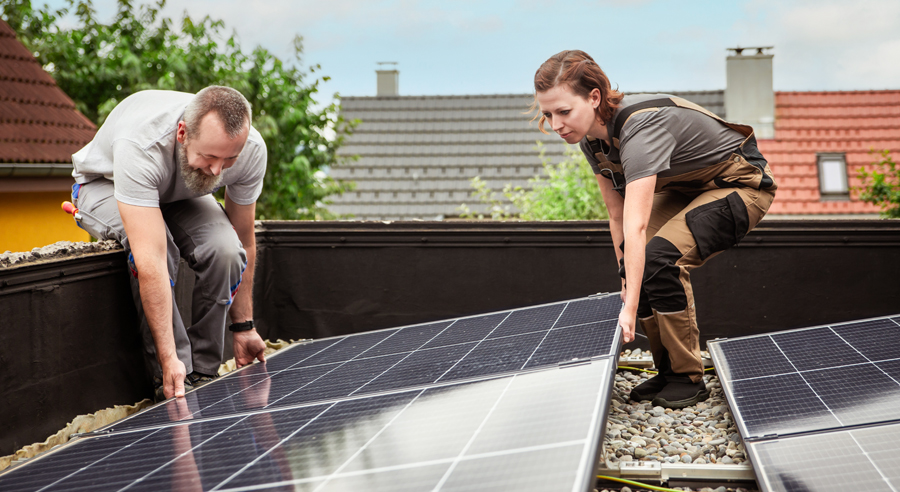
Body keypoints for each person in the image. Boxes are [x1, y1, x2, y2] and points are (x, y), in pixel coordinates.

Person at [534, 50, 777, 408]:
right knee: (633, 264)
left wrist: (629, 307)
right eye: (548, 114)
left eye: (564, 112)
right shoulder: (592, 142)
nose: (556, 125)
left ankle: (688, 377)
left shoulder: (640, 126)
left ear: (594, 97)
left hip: (741, 186)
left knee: (659, 257)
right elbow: (617, 216)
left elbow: (637, 224)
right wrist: (625, 281)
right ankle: (666, 372)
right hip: (686, 191)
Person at [69, 86, 268, 402]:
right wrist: (168, 358)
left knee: (226, 251)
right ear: (182, 133)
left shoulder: (251, 150)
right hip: (105, 185)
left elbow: (244, 240)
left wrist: (244, 328)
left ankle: (203, 372)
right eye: (209, 156)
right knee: (162, 250)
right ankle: (173, 376)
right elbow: (151, 260)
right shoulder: (142, 143)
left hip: (180, 192)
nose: (217, 171)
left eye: (229, 159)